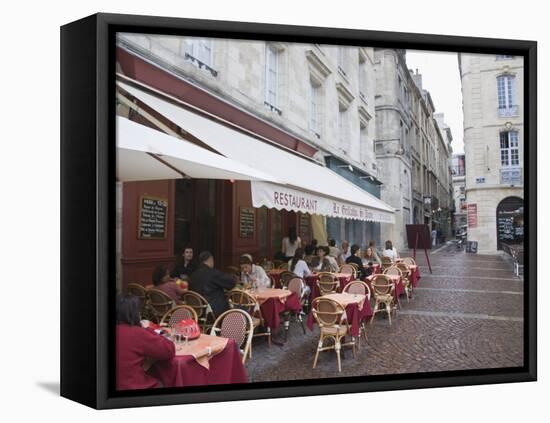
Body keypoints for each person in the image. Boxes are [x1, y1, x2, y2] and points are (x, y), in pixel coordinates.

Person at [116, 294, 175, 390]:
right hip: (133, 386)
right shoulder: (136, 333)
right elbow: (169, 350)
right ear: (134, 314)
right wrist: (147, 328)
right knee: (164, 381)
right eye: (138, 312)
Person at [189, 251, 237, 317]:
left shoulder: (193, 275)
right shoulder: (212, 273)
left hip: (196, 312)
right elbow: (231, 283)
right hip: (213, 311)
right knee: (239, 306)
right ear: (211, 259)